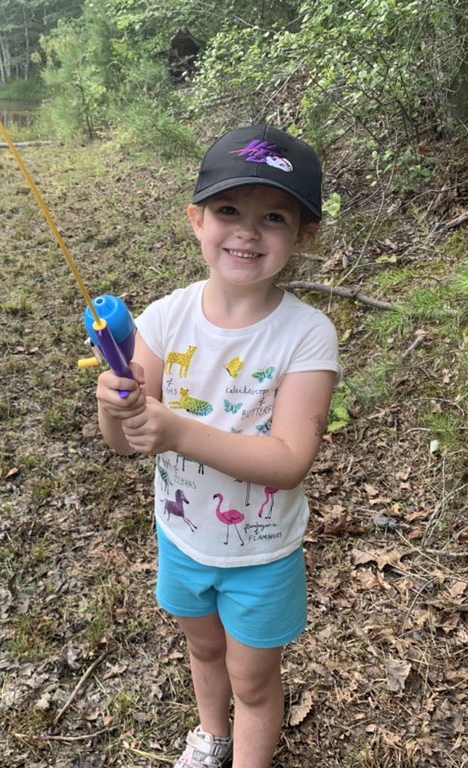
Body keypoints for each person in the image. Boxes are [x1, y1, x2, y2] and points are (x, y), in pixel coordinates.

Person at [95, 124, 341, 768]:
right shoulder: (163, 318)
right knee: (203, 651)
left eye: (273, 217)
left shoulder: (307, 336)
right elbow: (125, 443)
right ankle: (212, 736)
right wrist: (112, 407)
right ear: (196, 219)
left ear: (304, 234)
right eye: (229, 211)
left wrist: (176, 429)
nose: (247, 231)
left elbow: (289, 461)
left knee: (254, 680)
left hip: (261, 554)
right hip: (180, 536)